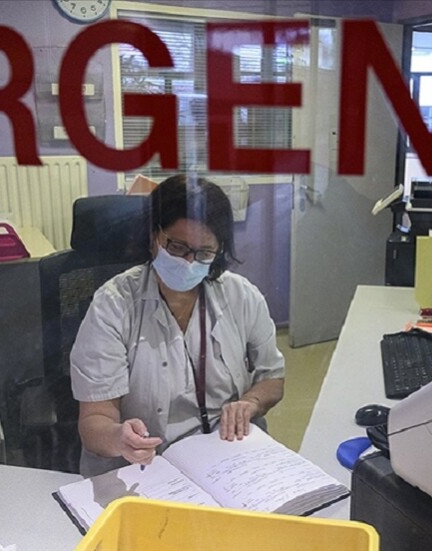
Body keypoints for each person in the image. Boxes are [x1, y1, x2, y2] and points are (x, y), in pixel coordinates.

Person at [69, 174, 285, 477]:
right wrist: (119, 438)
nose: (189, 262)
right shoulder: (113, 305)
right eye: (178, 247)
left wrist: (251, 403)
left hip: (226, 460)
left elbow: (272, 378)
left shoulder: (240, 295)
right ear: (153, 237)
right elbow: (94, 420)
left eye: (204, 253)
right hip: (145, 469)